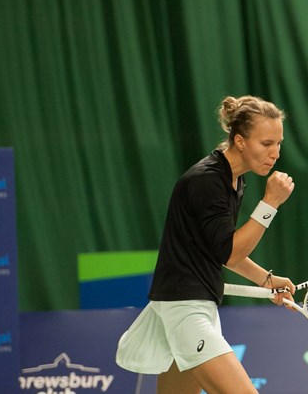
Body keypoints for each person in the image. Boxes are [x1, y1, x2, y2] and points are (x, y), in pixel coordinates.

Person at [116, 95, 296, 394]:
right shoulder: (207, 181)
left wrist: (267, 280)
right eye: (266, 144)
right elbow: (231, 251)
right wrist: (270, 204)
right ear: (239, 141)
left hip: (191, 303)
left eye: (278, 143)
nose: (275, 153)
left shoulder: (233, 181)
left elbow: (221, 252)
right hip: (185, 307)